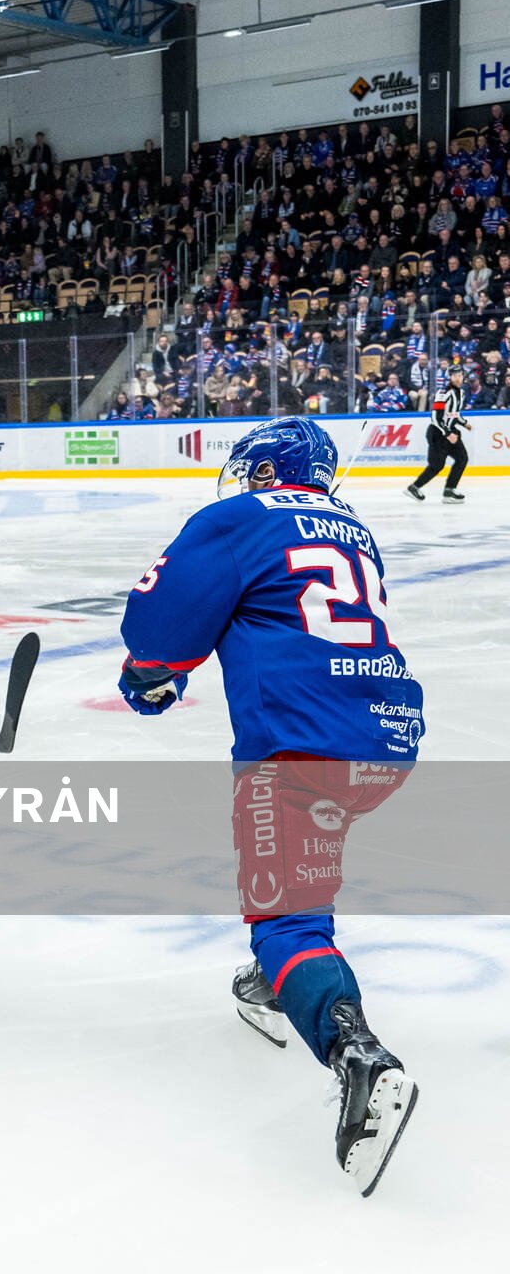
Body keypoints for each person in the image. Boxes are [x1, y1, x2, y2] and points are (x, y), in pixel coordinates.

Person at [118, 416, 422, 1197]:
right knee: (304, 853)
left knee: (288, 914)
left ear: (259, 470)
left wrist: (150, 676)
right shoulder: (351, 527)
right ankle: (268, 979)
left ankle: (355, 1054)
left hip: (298, 748)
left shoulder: (235, 517)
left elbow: (154, 630)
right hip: (384, 741)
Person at [405, 368, 469, 503]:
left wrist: (464, 423)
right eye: (454, 375)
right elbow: (435, 417)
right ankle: (414, 487)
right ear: (450, 377)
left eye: (460, 375)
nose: (458, 378)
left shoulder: (461, 393)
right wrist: (447, 433)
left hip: (451, 432)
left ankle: (449, 490)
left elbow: (453, 413)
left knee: (462, 458)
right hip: (438, 433)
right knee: (437, 465)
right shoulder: (444, 392)